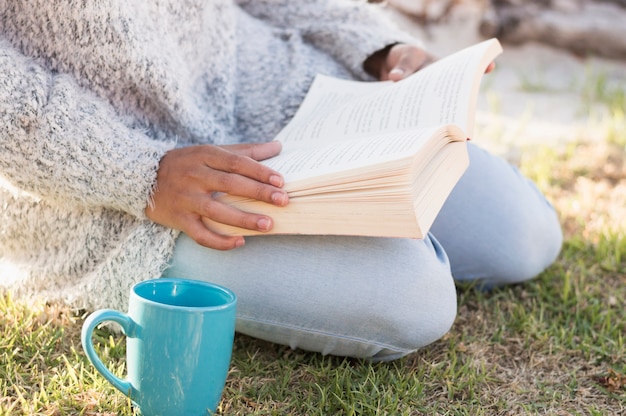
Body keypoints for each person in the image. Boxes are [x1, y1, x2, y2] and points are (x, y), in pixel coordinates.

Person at [0, 0, 562, 361]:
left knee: (522, 237)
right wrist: (139, 174)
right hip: (111, 180)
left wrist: (377, 45)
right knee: (415, 298)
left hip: (268, 90)